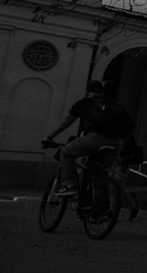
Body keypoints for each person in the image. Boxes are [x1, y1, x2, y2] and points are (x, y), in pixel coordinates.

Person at [43, 81, 137, 221]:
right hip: (117, 142)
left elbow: (67, 122)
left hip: (95, 138)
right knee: (99, 175)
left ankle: (68, 185)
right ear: (102, 92)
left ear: (88, 92)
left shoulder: (85, 103)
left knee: (66, 153)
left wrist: (51, 136)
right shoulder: (113, 104)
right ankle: (100, 211)